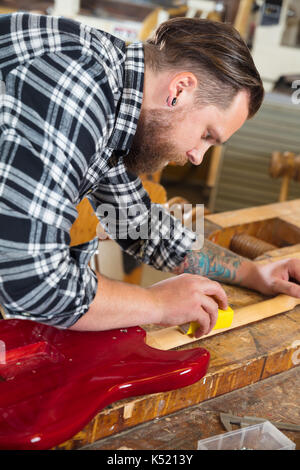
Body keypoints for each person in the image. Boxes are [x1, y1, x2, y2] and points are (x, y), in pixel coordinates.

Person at [0, 12, 299, 338]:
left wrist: (255, 273)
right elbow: (30, 278)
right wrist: (157, 303)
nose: (198, 157)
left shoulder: (116, 100)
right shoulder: (78, 84)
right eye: (206, 135)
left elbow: (139, 224)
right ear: (180, 89)